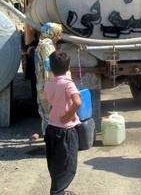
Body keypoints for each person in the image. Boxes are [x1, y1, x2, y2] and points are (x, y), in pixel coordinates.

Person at [44, 50, 82, 195]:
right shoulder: (68, 84)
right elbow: (77, 102)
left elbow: (52, 102)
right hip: (66, 130)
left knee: (55, 163)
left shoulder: (48, 85)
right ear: (68, 68)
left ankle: (59, 190)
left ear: (51, 68)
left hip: (52, 128)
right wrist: (69, 115)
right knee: (67, 165)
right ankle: (57, 192)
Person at [34, 22, 63, 137]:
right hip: (47, 86)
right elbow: (48, 67)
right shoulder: (48, 45)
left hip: (41, 85)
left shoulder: (41, 43)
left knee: (46, 115)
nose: (59, 37)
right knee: (51, 116)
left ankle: (49, 142)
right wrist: (53, 88)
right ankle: (51, 144)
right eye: (58, 34)